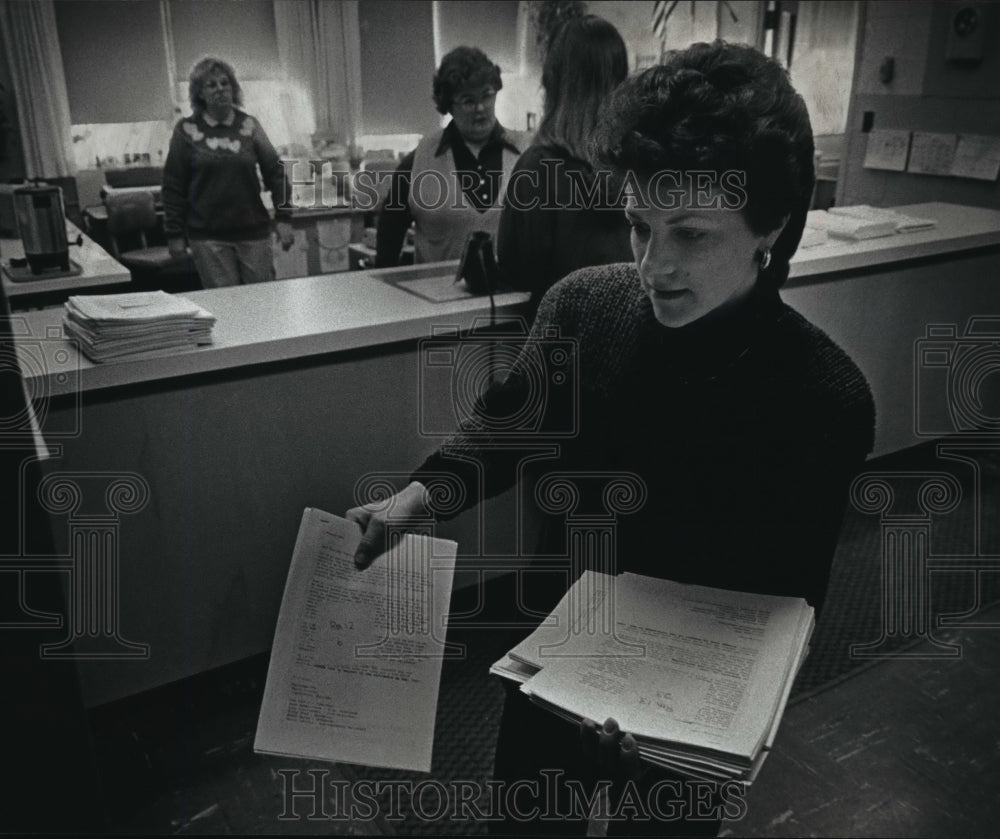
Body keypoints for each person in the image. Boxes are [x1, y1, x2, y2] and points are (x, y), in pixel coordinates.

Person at [348, 41, 876, 836]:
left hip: (690, 708)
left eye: (691, 235)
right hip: (559, 660)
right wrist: (419, 498)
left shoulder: (822, 398)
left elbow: (786, 608)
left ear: (772, 227)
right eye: (637, 225)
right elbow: (506, 427)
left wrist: (693, 725)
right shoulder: (587, 309)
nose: (654, 265)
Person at [498, 15, 633, 315]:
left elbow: (518, 271)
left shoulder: (537, 169)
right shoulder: (640, 163)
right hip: (631, 337)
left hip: (563, 341)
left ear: (553, 83)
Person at [374, 46, 527, 267]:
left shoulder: (526, 154)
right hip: (436, 298)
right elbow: (388, 243)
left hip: (512, 296)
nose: (480, 108)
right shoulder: (419, 161)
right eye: (468, 100)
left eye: (487, 95)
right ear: (449, 105)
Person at [161, 56, 294, 288]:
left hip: (253, 233)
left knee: (263, 303)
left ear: (233, 88)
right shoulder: (185, 130)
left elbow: (275, 173)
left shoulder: (250, 126)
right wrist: (174, 234)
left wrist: (284, 218)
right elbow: (173, 185)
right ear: (200, 93)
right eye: (211, 85)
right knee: (226, 307)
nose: (220, 89)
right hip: (208, 237)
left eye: (225, 83)